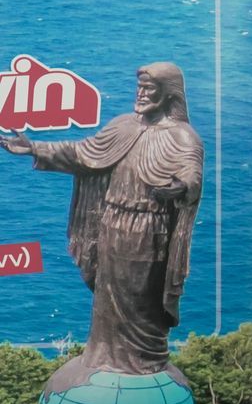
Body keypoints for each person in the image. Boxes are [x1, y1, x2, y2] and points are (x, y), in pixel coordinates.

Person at [3, 62, 202, 375]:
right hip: (111, 224)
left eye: (150, 89)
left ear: (168, 94)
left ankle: (144, 358)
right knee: (107, 300)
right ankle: (104, 356)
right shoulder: (124, 126)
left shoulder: (182, 137)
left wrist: (180, 186)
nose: (142, 94)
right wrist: (34, 148)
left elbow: (191, 175)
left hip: (148, 231)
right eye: (139, 88)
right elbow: (83, 154)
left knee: (139, 301)